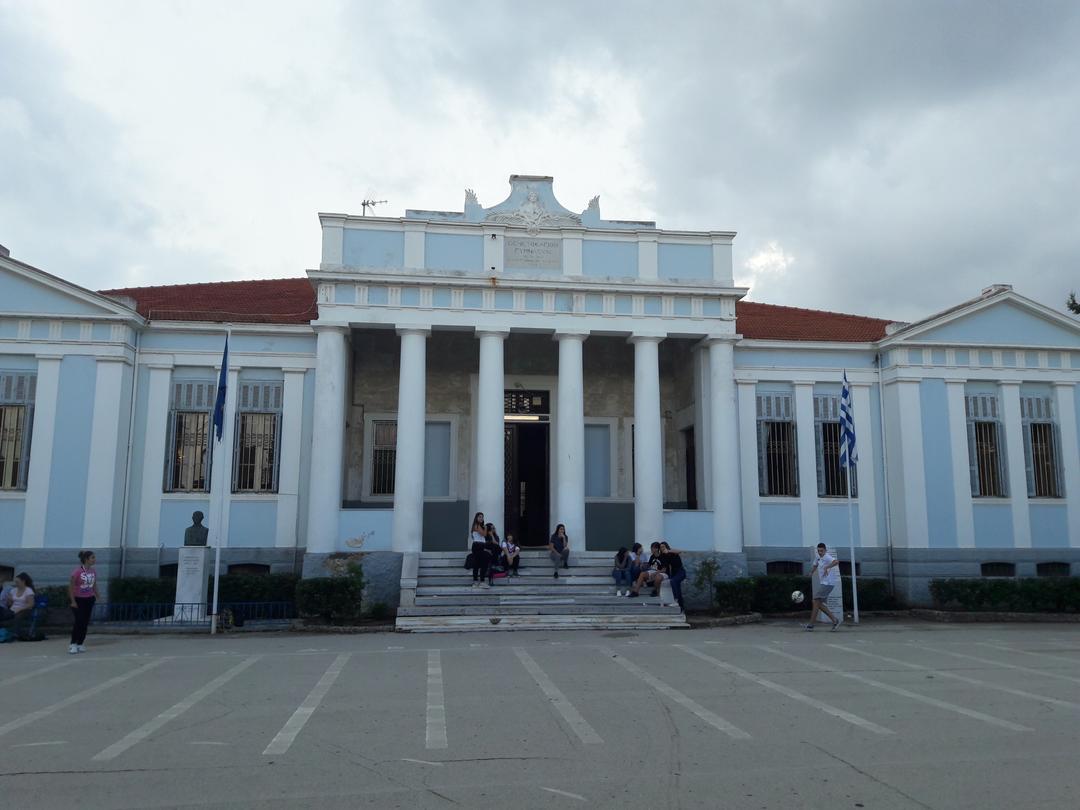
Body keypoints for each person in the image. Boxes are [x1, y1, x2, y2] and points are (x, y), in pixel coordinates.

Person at [807, 542, 842, 631]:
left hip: (828, 583)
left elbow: (836, 562)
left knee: (815, 601)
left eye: (821, 551)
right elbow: (815, 565)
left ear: (825, 550)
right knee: (817, 603)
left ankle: (811, 624)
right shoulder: (818, 557)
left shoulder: (827, 556)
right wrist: (811, 572)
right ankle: (835, 620)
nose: (820, 552)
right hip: (824, 583)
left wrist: (827, 567)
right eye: (818, 551)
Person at [69, 550, 99, 654]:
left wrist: (97, 595)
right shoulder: (77, 572)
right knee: (79, 621)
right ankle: (73, 643)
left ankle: (80, 643)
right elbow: (71, 587)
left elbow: (94, 584)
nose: (94, 559)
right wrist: (73, 601)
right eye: (92, 557)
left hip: (89, 599)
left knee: (85, 622)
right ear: (86, 559)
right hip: (78, 599)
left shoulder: (93, 571)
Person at [0, 572, 35, 638]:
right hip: (13, 609)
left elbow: (31, 604)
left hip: (25, 609)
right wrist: (9, 600)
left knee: (18, 615)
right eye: (15, 582)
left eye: (17, 582)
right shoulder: (13, 590)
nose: (16, 584)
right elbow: (9, 604)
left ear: (23, 581)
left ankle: (16, 633)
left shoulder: (28, 590)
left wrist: (19, 609)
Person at [657, 542, 687, 609]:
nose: (662, 548)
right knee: (677, 588)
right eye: (661, 547)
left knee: (673, 581)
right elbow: (665, 568)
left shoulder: (673, 552)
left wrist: (668, 551)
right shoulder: (663, 556)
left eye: (663, 546)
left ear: (666, 546)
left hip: (680, 572)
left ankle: (675, 601)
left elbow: (679, 551)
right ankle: (681, 606)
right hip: (674, 573)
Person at [468, 512, 489, 588]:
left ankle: (476, 581)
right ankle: (480, 581)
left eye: (482, 517)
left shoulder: (478, 525)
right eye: (480, 517)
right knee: (482, 563)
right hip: (478, 546)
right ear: (476, 518)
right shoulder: (477, 525)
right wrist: (486, 528)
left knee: (478, 564)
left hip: (480, 546)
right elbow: (484, 534)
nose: (481, 518)